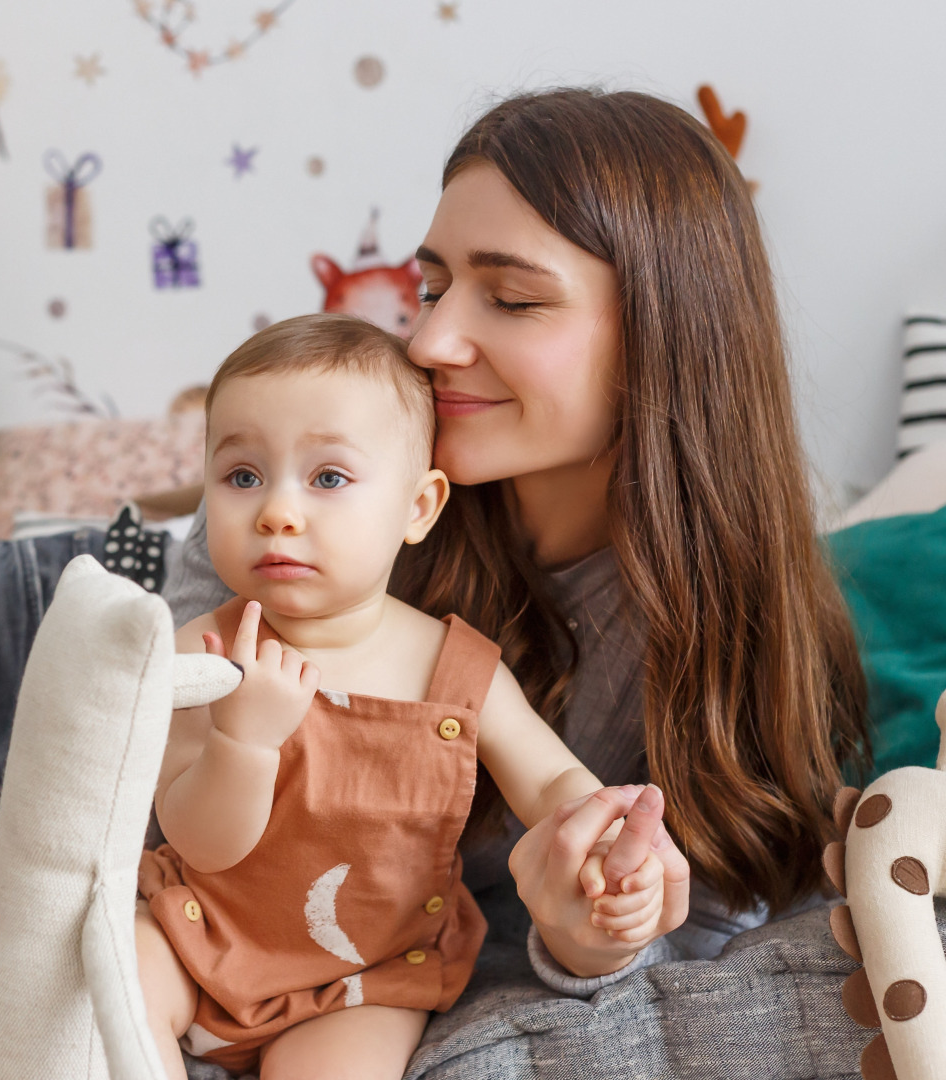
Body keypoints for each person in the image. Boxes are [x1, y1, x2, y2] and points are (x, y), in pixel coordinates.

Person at [0, 88, 853, 1078]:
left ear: (670, 339)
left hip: (68, 824)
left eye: (510, 298)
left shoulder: (704, 657)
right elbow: (164, 580)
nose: (433, 335)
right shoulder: (385, 467)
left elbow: (623, 930)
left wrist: (588, 930)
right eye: (437, 280)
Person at [127, 314, 670, 1076]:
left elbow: (549, 780)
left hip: (365, 972)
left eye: (328, 478)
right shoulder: (201, 653)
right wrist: (240, 744)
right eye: (242, 476)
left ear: (418, 508)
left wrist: (605, 842)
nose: (276, 511)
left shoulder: (456, 668)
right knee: (111, 989)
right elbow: (199, 842)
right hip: (196, 931)